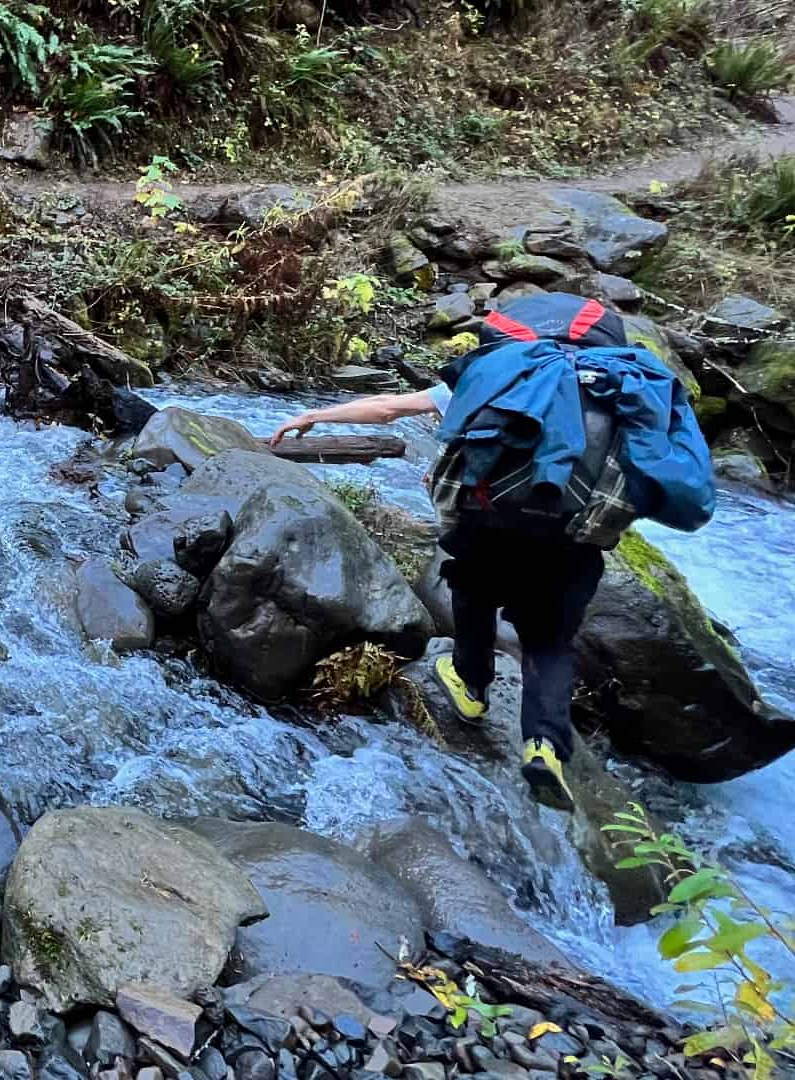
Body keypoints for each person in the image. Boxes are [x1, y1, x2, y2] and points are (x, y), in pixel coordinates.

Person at [267, 294, 714, 813]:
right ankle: (545, 745)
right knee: (550, 640)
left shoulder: (502, 371)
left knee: (472, 595)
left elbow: (391, 408)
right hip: (575, 536)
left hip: (488, 521)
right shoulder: (626, 386)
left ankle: (471, 687)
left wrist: (317, 414)